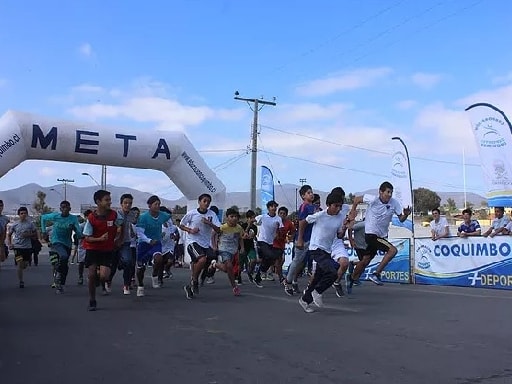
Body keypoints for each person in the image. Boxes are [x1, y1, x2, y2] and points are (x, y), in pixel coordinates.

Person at [299, 188, 353, 313]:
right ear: (328, 205)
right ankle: (317, 292)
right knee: (333, 272)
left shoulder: (339, 217)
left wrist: (345, 226)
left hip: (327, 251)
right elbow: (302, 223)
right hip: (316, 248)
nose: (338, 209)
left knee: (318, 277)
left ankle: (304, 300)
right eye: (336, 206)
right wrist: (300, 239)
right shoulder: (320, 215)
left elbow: (339, 235)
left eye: (340, 206)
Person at [349, 181, 411, 286]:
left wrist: (405, 214)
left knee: (366, 260)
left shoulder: (394, 203)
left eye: (391, 192)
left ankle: (352, 278)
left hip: (381, 236)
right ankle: (376, 274)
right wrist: (352, 213)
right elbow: (356, 199)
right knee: (392, 250)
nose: (390, 195)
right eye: (388, 192)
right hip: (371, 234)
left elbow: (401, 219)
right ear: (380, 192)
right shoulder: (372, 199)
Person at [82, 190, 123, 311]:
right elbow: (87, 237)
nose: (110, 202)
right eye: (107, 200)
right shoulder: (91, 218)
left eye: (110, 200)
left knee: (105, 276)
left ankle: (98, 279)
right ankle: (92, 300)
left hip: (107, 249)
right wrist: (99, 239)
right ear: (98, 202)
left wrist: (119, 239)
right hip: (93, 248)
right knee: (91, 274)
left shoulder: (114, 215)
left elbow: (122, 224)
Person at [179, 193, 221, 299]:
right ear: (199, 202)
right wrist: (190, 230)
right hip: (193, 242)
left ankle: (191, 285)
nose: (206, 203)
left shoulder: (212, 214)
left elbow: (218, 230)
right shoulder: (192, 213)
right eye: (204, 201)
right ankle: (195, 280)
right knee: (201, 260)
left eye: (208, 202)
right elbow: (181, 225)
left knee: (212, 260)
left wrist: (209, 223)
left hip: (205, 244)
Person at [40, 201, 82, 293]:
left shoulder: (73, 218)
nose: (64, 209)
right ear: (60, 209)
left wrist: (77, 231)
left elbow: (78, 231)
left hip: (67, 243)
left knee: (65, 265)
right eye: (62, 207)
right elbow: (43, 218)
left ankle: (61, 284)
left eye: (66, 207)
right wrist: (43, 231)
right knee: (63, 256)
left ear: (70, 209)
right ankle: (58, 272)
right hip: (56, 241)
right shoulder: (56, 216)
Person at [134, 196, 172, 297]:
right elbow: (140, 233)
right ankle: (140, 286)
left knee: (159, 259)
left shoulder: (162, 215)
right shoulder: (143, 217)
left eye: (159, 204)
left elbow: (169, 216)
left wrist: (171, 229)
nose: (158, 206)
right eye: (155, 204)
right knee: (140, 268)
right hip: (144, 244)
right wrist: (149, 240)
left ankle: (154, 275)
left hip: (156, 243)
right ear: (149, 205)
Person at [284, 185, 315, 295]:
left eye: (311, 192)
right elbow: (302, 223)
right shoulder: (304, 207)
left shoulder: (313, 207)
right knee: (297, 261)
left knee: (313, 262)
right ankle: (288, 281)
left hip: (312, 240)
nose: (311, 194)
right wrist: (300, 239)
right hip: (303, 239)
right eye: (308, 193)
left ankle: (312, 287)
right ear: (303, 196)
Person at [209, 207, 244, 296]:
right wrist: (214, 246)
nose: (234, 218)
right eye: (232, 216)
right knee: (229, 266)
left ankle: (214, 264)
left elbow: (240, 238)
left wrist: (242, 248)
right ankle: (234, 287)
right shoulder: (223, 227)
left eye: (236, 217)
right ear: (227, 218)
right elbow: (213, 234)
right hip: (223, 250)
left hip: (233, 251)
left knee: (226, 269)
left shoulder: (239, 228)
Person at [106, 194, 136, 295]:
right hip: (114, 243)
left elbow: (136, 226)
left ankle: (126, 284)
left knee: (129, 262)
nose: (128, 205)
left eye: (130, 203)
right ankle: (108, 281)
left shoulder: (133, 215)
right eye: (125, 203)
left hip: (126, 243)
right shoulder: (115, 214)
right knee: (113, 265)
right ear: (121, 204)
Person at [253, 200, 283, 288]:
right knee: (269, 256)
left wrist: (278, 229)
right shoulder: (262, 217)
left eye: (275, 206)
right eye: (272, 206)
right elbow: (252, 220)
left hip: (271, 242)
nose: (274, 208)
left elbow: (280, 232)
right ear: (268, 208)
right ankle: (262, 271)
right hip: (262, 240)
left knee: (272, 258)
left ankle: (258, 276)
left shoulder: (278, 219)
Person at [7, 207, 38, 288]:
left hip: (27, 247)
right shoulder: (15, 224)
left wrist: (29, 235)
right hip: (17, 247)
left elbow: (35, 234)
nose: (23, 215)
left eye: (25, 213)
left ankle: (23, 266)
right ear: (19, 215)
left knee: (25, 265)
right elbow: (9, 234)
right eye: (21, 213)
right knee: (20, 264)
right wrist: (10, 244)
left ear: (27, 214)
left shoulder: (30, 224)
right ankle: (21, 281)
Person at [273, 206, 295, 284]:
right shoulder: (274, 221)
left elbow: (293, 231)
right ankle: (281, 277)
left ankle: (277, 272)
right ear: (278, 214)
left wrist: (290, 237)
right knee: (280, 259)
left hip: (282, 243)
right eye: (280, 213)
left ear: (286, 215)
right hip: (273, 243)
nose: (282, 215)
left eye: (284, 213)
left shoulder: (288, 223)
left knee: (282, 260)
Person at [239, 210, 258, 284]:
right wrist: (248, 226)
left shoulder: (255, 227)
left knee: (254, 260)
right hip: (243, 246)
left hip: (250, 246)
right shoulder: (242, 226)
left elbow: (253, 236)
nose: (253, 220)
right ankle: (238, 277)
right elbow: (243, 236)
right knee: (241, 264)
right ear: (248, 218)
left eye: (254, 218)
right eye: (251, 218)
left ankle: (250, 272)